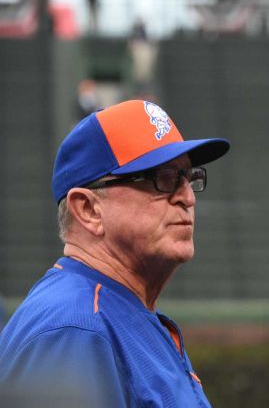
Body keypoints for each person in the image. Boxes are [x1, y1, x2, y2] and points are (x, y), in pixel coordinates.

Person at [0, 100, 229, 407]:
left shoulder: (119, 312)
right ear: (88, 209)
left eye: (188, 178)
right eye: (163, 178)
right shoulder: (74, 330)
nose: (187, 197)